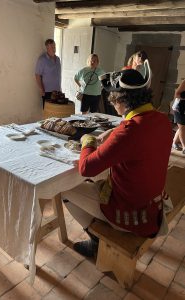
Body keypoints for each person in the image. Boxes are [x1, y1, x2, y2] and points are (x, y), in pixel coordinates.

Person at [62, 60, 173, 257]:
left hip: (131, 216)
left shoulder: (129, 131)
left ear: (121, 100)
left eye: (113, 101)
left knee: (63, 189)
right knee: (99, 177)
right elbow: (140, 136)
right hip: (152, 207)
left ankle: (95, 239)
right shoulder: (163, 120)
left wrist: (88, 141)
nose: (114, 106)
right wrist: (115, 131)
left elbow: (86, 168)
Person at [35, 39, 61, 108]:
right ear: (47, 48)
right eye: (51, 47)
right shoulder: (42, 59)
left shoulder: (58, 59)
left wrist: (60, 89)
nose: (53, 49)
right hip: (47, 92)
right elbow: (37, 75)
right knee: (48, 113)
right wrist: (42, 89)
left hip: (57, 92)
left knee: (57, 112)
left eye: (54, 47)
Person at [172, 87, 185, 154]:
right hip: (179, 108)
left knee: (182, 127)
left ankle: (174, 142)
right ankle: (184, 147)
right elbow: (176, 94)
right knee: (182, 127)